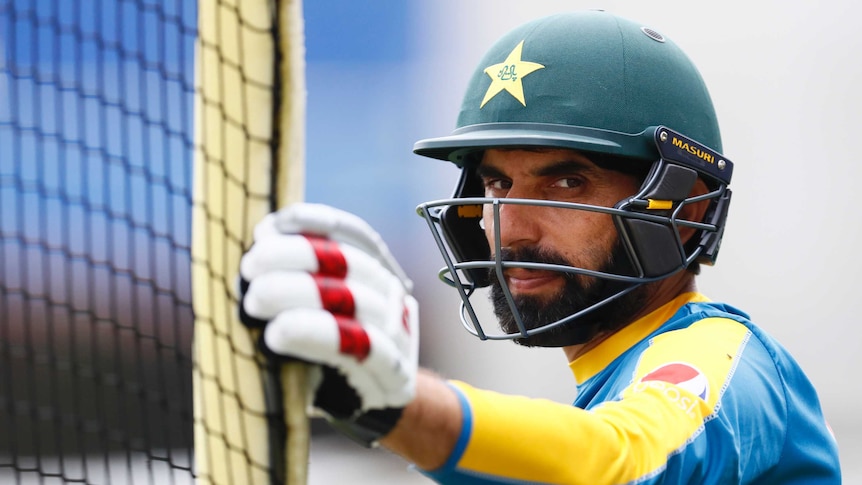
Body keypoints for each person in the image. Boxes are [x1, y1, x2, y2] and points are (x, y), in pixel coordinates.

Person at [238, 10, 842, 484]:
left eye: (565, 183)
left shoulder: (721, 357)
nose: (512, 228)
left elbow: (617, 463)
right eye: (497, 183)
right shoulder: (609, 380)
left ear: (687, 211)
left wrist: (399, 403)